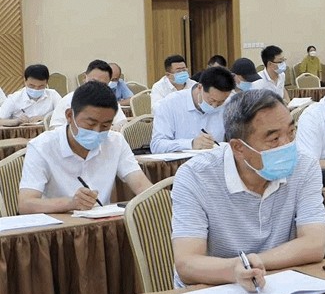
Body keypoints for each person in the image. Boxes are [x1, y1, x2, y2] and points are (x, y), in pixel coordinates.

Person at [170, 90, 325, 291]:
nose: (287, 146)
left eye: (291, 133)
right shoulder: (195, 176)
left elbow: (314, 243)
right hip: (212, 291)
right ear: (238, 148)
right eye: (274, 138)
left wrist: (252, 264)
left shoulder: (304, 165)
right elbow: (187, 263)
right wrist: (233, 270)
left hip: (280, 286)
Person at [18, 81, 151, 214]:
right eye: (90, 124)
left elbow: (142, 187)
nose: (97, 131)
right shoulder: (41, 146)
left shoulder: (116, 142)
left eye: (105, 126)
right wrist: (71, 203)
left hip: (102, 222)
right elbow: (25, 204)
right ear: (69, 116)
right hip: (60, 223)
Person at [151, 66, 236, 153]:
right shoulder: (170, 104)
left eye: (220, 102)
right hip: (181, 160)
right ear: (200, 87)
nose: (215, 106)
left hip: (215, 159)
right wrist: (191, 144)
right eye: (212, 101)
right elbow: (157, 145)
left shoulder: (229, 105)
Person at [50, 60, 127, 130]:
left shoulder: (110, 100)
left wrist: (111, 130)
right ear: (84, 78)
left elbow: (122, 122)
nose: (96, 87)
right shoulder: (68, 100)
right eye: (93, 82)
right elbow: (55, 127)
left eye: (102, 84)